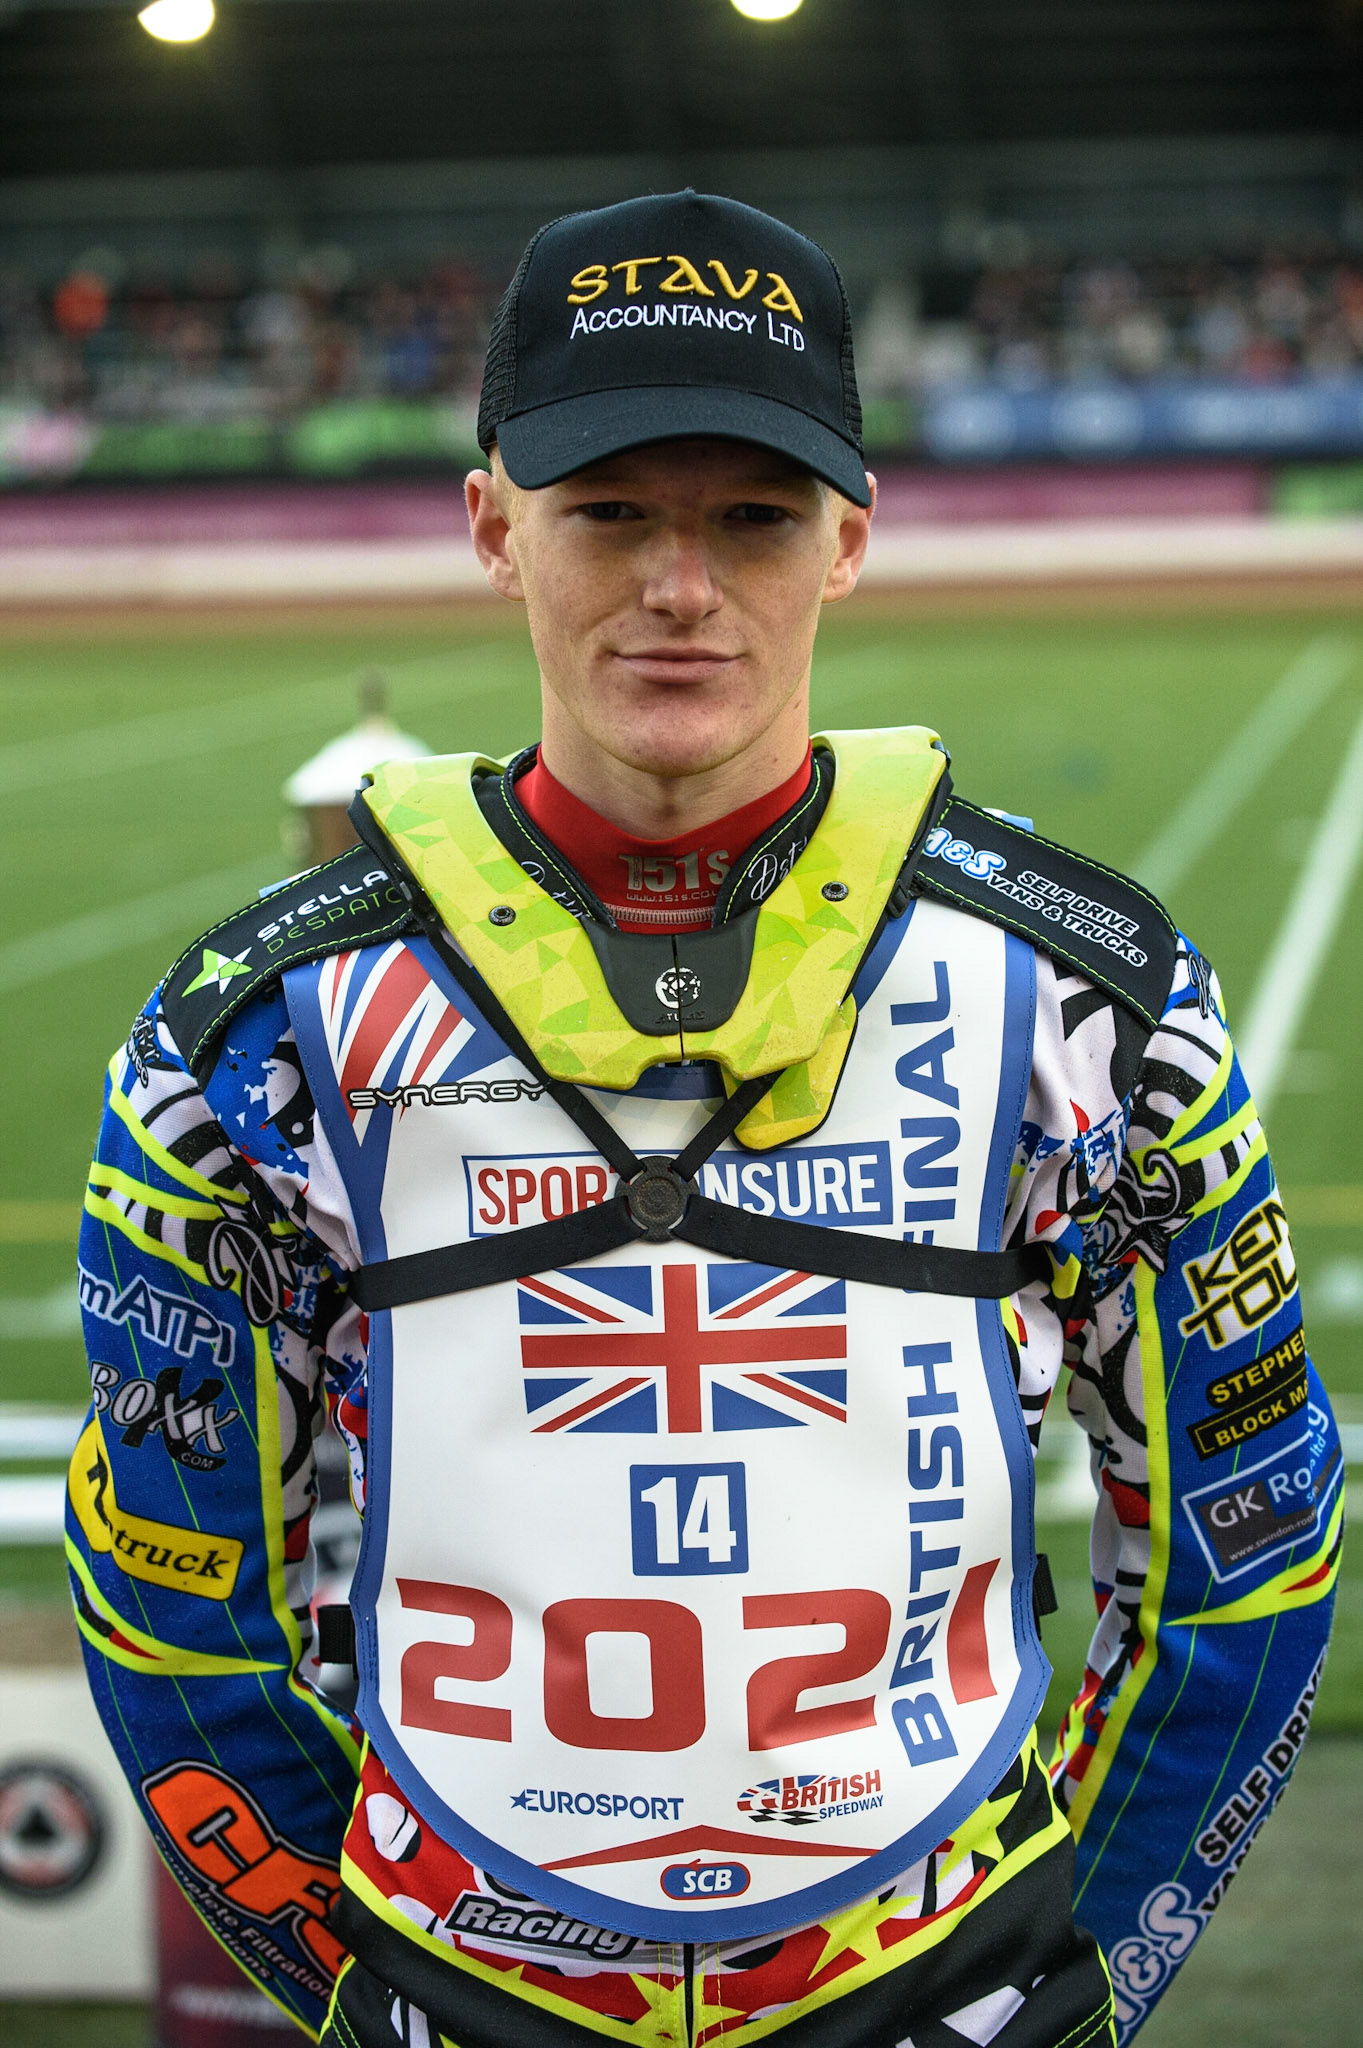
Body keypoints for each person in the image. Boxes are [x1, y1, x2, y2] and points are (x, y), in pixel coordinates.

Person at [68, 191, 1339, 2048]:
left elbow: (1246, 1546)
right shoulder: (246, 1038)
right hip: (451, 1980)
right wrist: (354, 1991)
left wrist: (1083, 1973)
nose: (681, 585)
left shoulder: (1094, 1003)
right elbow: (175, 1610)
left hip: (948, 1978)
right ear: (495, 522)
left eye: (750, 516)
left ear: (848, 540)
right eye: (610, 513)